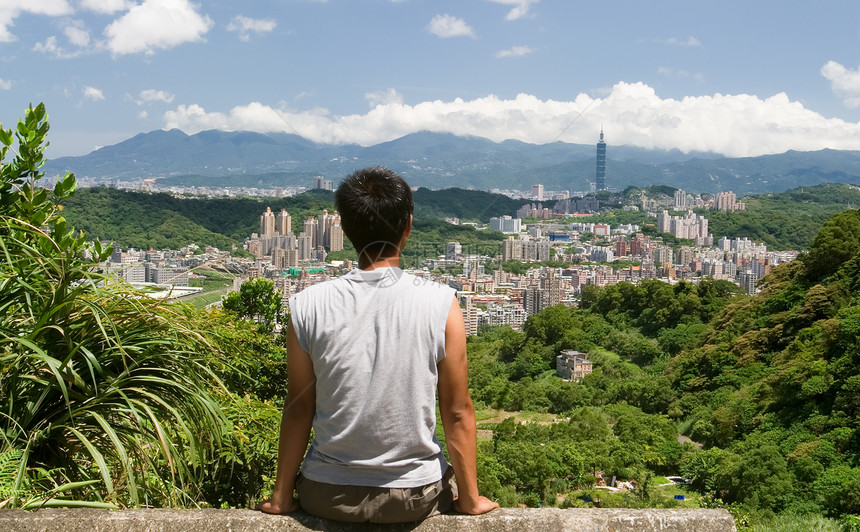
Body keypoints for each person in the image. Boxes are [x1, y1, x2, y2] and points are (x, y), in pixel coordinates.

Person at [258, 166, 498, 523]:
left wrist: (280, 498)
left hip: (326, 492)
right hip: (415, 496)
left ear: (344, 228)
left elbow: (298, 408)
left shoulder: (306, 304)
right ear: (408, 228)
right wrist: (470, 498)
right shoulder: (441, 303)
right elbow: (457, 410)